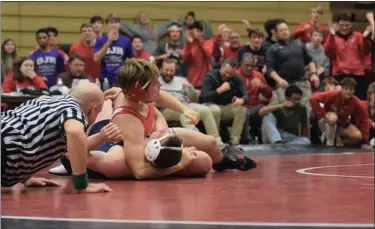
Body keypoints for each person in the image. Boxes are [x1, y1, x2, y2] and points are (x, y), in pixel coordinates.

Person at [54, 59, 256, 180]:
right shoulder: (127, 118)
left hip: (151, 136)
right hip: (137, 144)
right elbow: (140, 171)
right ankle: (75, 161)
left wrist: (184, 110)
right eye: (155, 84)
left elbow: (160, 97)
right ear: (137, 89)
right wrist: (180, 162)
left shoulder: (140, 93)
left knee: (210, 143)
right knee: (203, 163)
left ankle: (223, 161)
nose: (160, 87)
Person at [1, 82, 112, 193]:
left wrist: (25, 178)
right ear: (94, 110)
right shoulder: (73, 110)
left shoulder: (45, 100)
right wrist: (82, 184)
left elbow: (26, 127)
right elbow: (75, 132)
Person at [310, 78, 369, 147]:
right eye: (346, 89)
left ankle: (337, 137)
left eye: (351, 89)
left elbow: (364, 120)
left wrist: (365, 141)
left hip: (342, 123)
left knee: (358, 136)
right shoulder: (332, 94)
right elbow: (313, 99)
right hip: (327, 121)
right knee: (333, 118)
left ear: (354, 91)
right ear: (341, 89)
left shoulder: (356, 102)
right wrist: (322, 114)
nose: (348, 91)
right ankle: (329, 139)